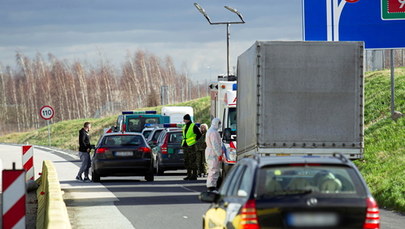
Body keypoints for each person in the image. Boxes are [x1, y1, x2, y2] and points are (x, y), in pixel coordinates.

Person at [182, 114, 202, 180]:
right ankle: (189, 174)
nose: (184, 121)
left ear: (187, 119)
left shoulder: (193, 126)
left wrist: (195, 140)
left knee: (192, 160)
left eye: (184, 119)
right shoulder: (184, 126)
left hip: (191, 146)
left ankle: (194, 175)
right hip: (185, 145)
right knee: (186, 161)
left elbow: (199, 134)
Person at [205, 118, 222, 191]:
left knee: (212, 169)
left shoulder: (210, 131)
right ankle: (211, 186)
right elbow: (215, 144)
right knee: (213, 169)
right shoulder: (213, 132)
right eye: (219, 123)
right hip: (213, 152)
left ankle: (212, 185)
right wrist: (219, 154)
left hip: (210, 151)